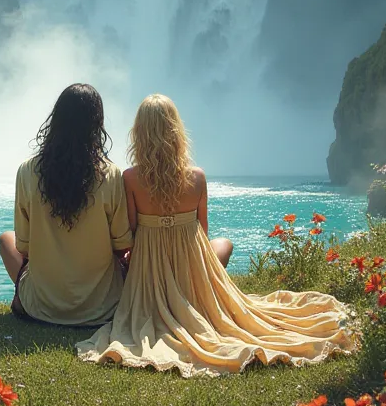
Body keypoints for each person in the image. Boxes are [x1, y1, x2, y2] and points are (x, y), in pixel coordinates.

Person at [77, 94, 356, 377]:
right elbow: (203, 231)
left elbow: (133, 230)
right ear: (176, 130)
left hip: (151, 272)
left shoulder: (130, 178)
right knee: (224, 244)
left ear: (139, 133)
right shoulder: (197, 177)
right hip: (193, 270)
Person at [0, 83, 133, 326]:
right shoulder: (110, 175)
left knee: (5, 239)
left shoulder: (27, 171)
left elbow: (23, 245)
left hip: (42, 307)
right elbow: (122, 244)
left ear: (55, 120)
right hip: (103, 308)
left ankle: (27, 298)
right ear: (97, 125)